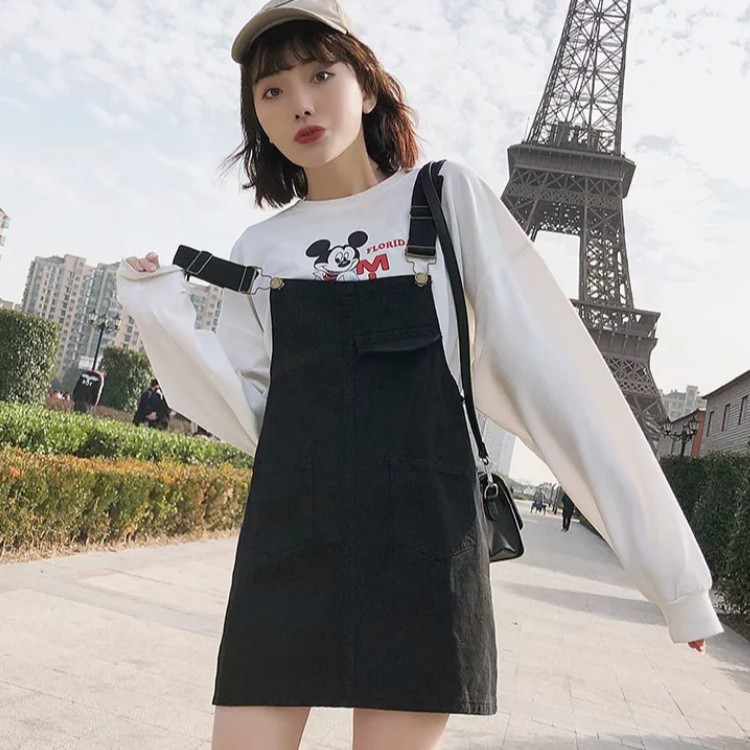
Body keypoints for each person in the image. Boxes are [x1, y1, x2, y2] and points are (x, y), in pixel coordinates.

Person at [116, 2, 720, 747]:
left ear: (368, 87)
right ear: (257, 118)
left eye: (321, 75)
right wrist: (160, 311)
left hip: (423, 544)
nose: (299, 102)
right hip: (291, 536)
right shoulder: (260, 248)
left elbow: (561, 382)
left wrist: (674, 578)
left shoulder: (442, 197)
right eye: (272, 90)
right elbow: (254, 418)